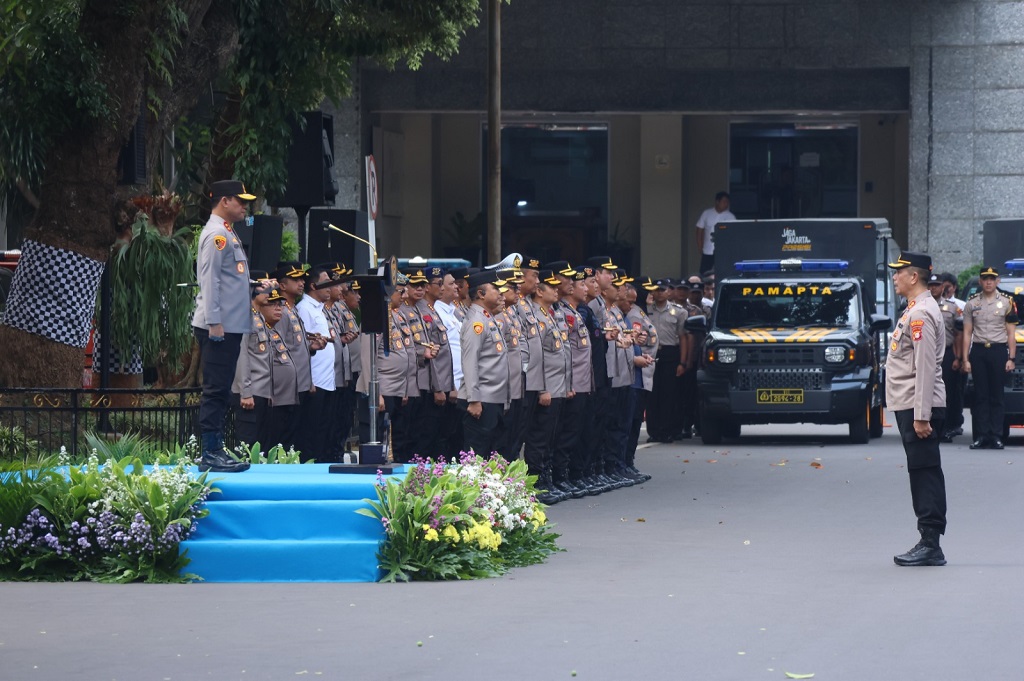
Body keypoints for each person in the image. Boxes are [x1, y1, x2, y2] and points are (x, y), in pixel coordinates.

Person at [886, 251, 947, 567]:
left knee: (925, 472)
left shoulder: (921, 313)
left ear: (913, 276)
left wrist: (922, 416)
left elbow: (925, 367)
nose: (894, 276)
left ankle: (930, 543)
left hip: (917, 405)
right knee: (921, 470)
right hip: (911, 403)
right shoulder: (915, 309)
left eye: (899, 272)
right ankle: (927, 540)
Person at [192, 180, 257, 473]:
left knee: (221, 389)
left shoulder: (227, 232)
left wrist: (255, 285)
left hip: (229, 325)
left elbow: (230, 277)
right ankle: (210, 451)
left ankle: (215, 448)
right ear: (224, 201)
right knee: (216, 390)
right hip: (219, 326)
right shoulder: (218, 234)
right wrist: (214, 321)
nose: (245, 207)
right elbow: (210, 279)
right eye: (240, 201)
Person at [962, 265, 1019, 450]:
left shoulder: (1007, 303)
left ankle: (996, 436)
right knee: (980, 395)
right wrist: (965, 359)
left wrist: (1011, 358)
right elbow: (967, 333)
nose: (988, 282)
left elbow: (1011, 333)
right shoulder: (972, 304)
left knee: (997, 395)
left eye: (992, 279)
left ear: (997, 281)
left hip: (998, 351)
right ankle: (981, 436)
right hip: (979, 351)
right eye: (985, 279)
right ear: (980, 281)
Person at [458, 269, 512, 460]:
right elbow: (470, 361)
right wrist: (474, 399)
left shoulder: (487, 318)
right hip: (481, 400)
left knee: (489, 454)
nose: (500, 292)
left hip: (492, 398)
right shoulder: (476, 322)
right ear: (481, 294)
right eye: (495, 288)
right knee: (476, 455)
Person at [295, 266, 337, 461]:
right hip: (315, 380)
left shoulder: (319, 309)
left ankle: (321, 462)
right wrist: (309, 379)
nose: (330, 287)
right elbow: (304, 346)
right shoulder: (304, 308)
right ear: (313, 286)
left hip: (327, 379)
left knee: (324, 429)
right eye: (326, 283)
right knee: (310, 431)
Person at [415, 266, 456, 458]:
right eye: (438, 284)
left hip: (444, 383)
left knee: (441, 435)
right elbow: (431, 356)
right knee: (428, 436)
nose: (442, 287)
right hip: (433, 386)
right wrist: (438, 388)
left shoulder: (433, 310)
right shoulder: (423, 312)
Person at [646, 278, 688, 442]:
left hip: (670, 353)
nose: (659, 293)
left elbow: (683, 337)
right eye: (656, 290)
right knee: (652, 394)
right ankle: (653, 431)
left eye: (662, 290)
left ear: (669, 292)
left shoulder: (678, 312)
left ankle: (666, 430)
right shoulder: (646, 310)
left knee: (668, 394)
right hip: (651, 353)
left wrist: (682, 362)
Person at [926, 274, 965, 443]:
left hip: (947, 353)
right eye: (930, 285)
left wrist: (958, 358)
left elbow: (958, 334)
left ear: (943, 287)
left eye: (937, 285)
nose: (933, 288)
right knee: (926, 391)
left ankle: (945, 428)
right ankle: (928, 427)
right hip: (926, 353)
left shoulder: (952, 308)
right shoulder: (921, 306)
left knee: (947, 392)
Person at [694, 191, 735, 274]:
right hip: (707, 250)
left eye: (727, 202)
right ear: (717, 202)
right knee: (704, 273)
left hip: (723, 251)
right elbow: (699, 230)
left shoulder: (731, 217)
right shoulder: (706, 213)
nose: (726, 204)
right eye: (724, 202)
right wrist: (700, 246)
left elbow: (734, 234)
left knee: (723, 273)